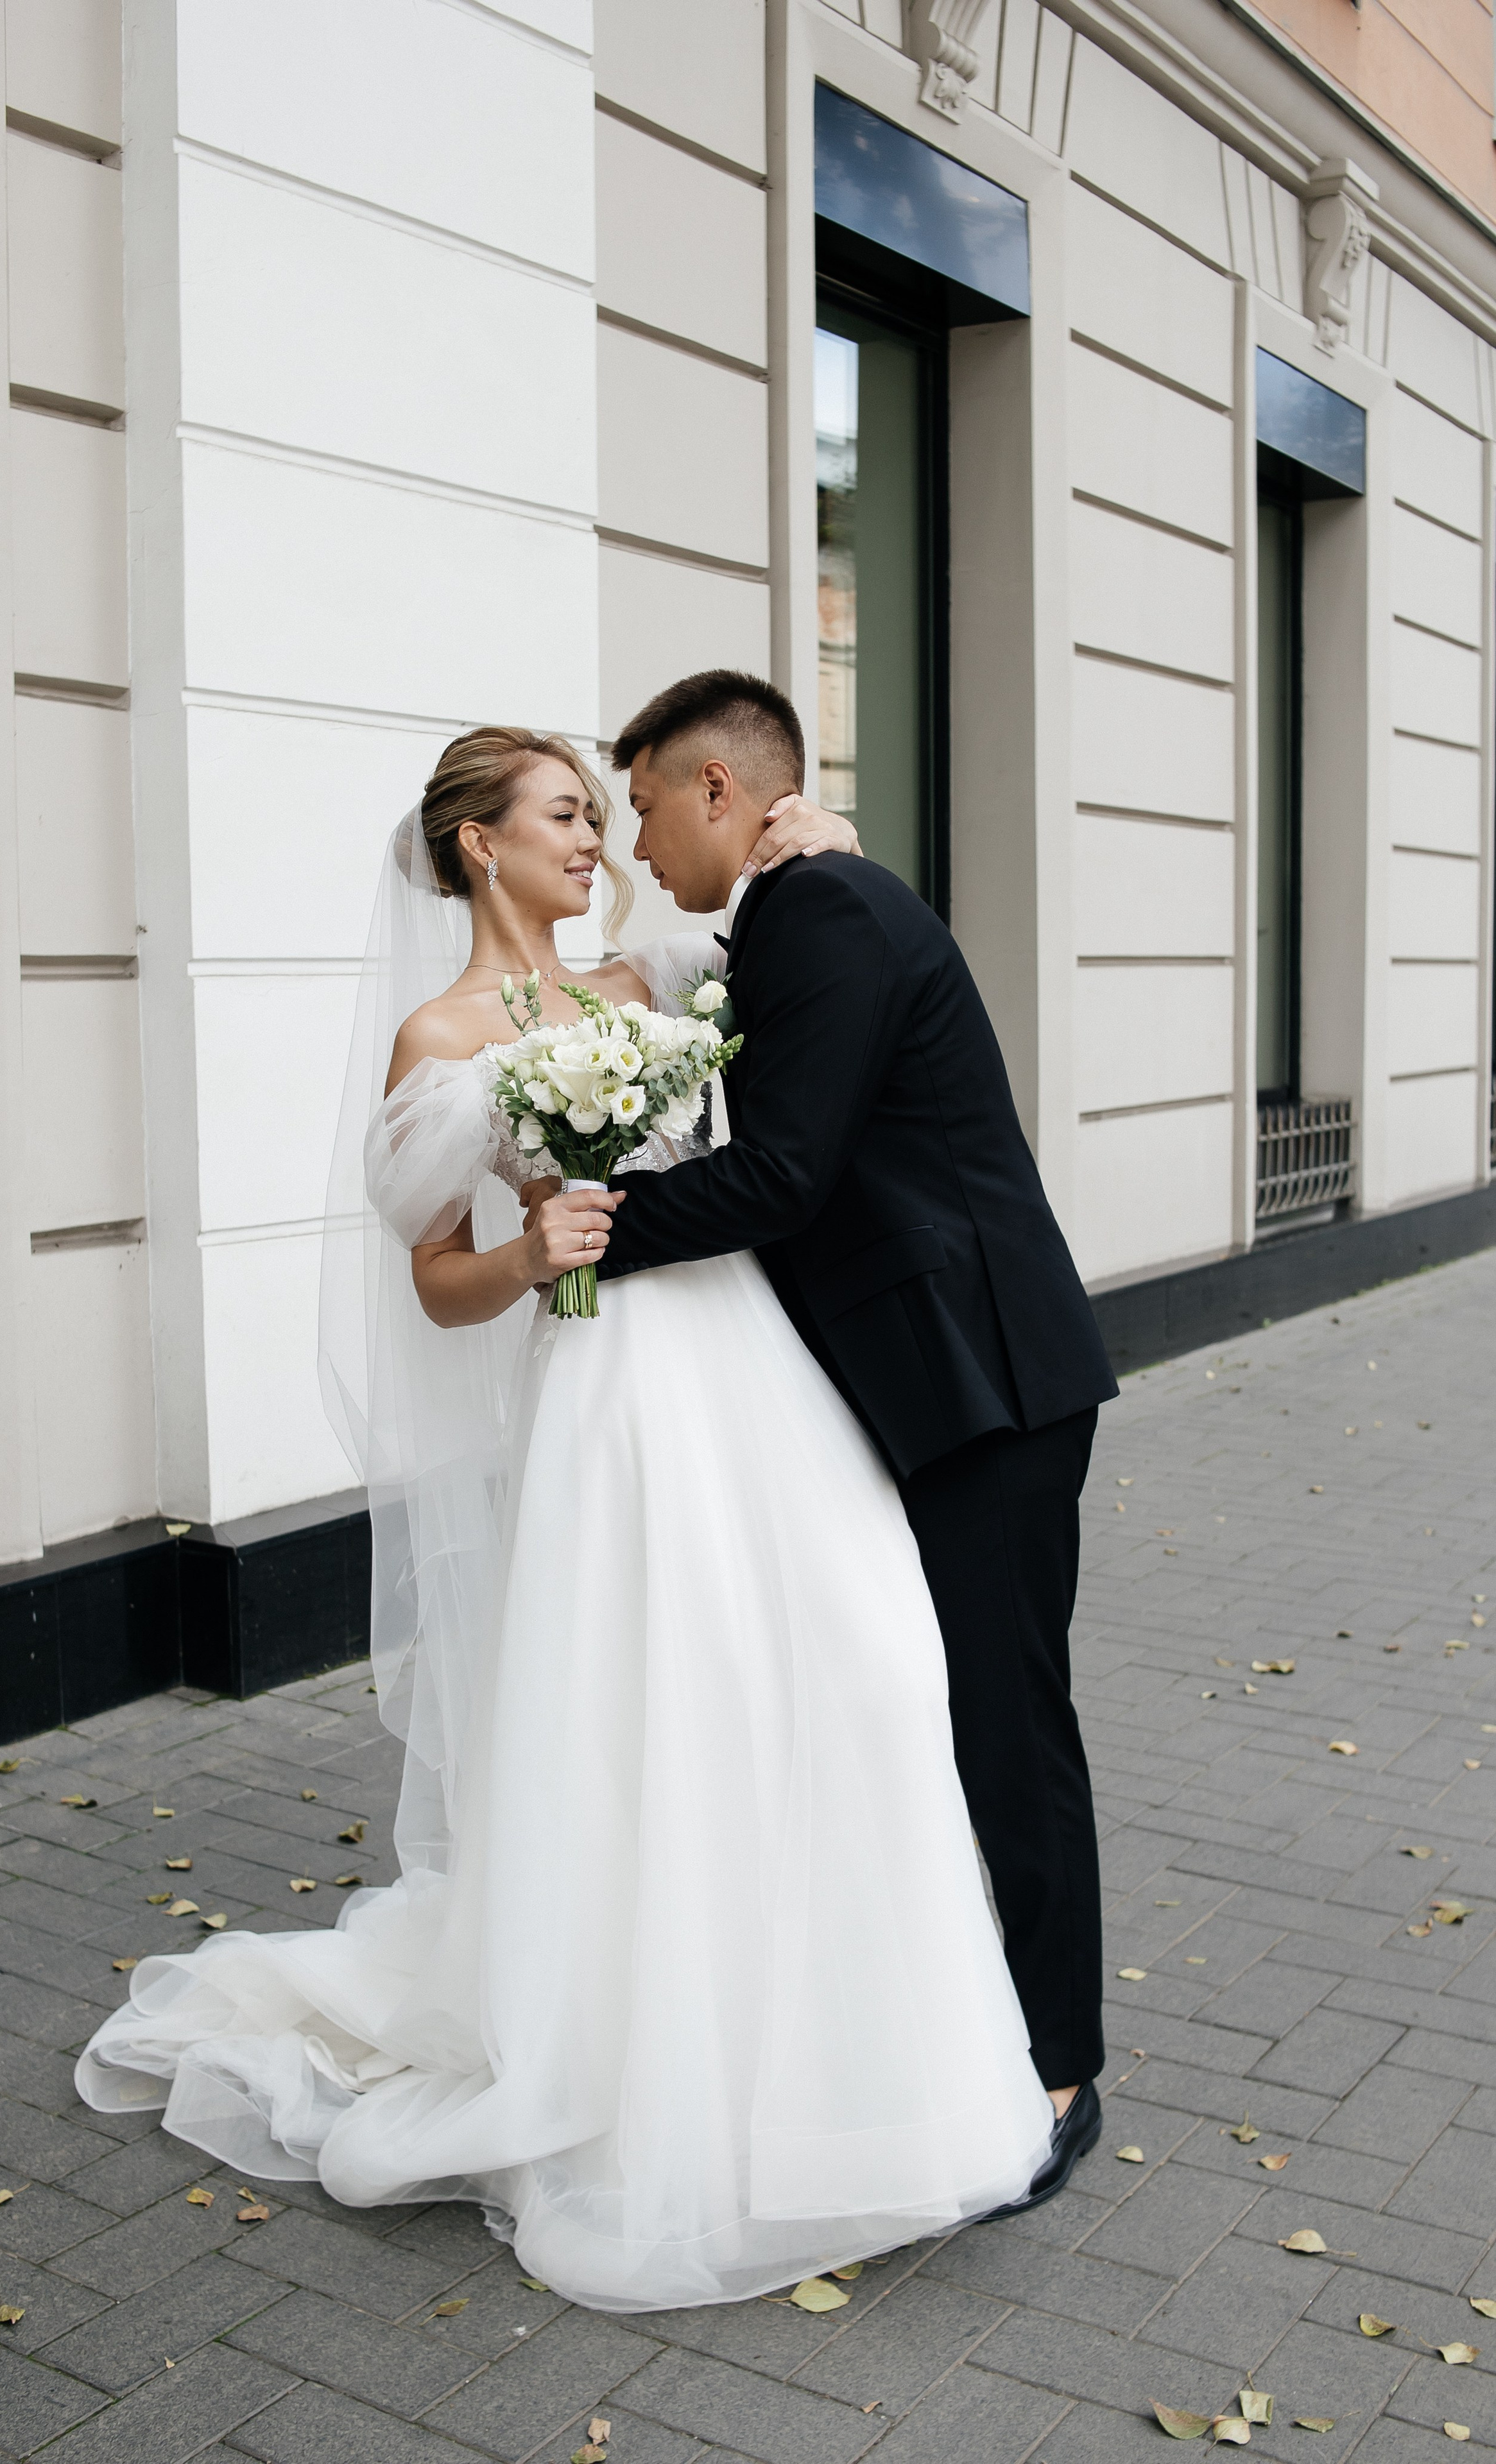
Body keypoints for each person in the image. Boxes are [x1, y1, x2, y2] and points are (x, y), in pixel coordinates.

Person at [73, 721, 1057, 2313]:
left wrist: (818, 828)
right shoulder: (437, 1037)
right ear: (479, 845)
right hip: (604, 1400)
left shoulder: (651, 983)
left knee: (861, 1668)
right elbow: (437, 1284)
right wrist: (529, 1260)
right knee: (651, 1712)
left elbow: (789, 937)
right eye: (562, 817)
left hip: (758, 1370)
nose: (595, 841)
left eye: (604, 817)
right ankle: (647, 2061)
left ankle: (851, 2034)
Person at [600, 672, 1119, 2207]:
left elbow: (782, 1176)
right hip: (927, 1378)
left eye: (638, 809)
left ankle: (1057, 2064)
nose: (633, 846)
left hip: (986, 1383)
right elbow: (709, 987)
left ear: (714, 791)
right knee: (929, 1709)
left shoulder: (821, 911)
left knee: (1003, 1722)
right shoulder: (790, 908)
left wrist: (582, 1233)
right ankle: (955, 2021)